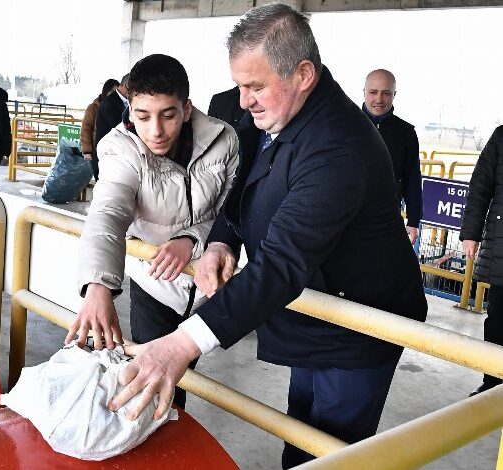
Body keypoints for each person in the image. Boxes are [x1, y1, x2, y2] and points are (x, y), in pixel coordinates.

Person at [104, 5, 427, 469]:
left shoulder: (338, 145)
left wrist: (180, 344)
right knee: (301, 431)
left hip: (358, 327)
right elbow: (242, 190)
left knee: (332, 447)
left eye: (255, 86)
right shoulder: (278, 116)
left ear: (303, 74)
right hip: (318, 308)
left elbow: (279, 265)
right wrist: (220, 241)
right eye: (240, 85)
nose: (244, 99)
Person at [67, 54, 239, 409]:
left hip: (209, 290)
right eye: (142, 117)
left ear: (187, 108)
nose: (155, 131)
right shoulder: (119, 149)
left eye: (168, 115)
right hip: (155, 288)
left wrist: (191, 241)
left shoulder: (224, 141)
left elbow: (232, 213)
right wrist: (98, 284)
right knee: (157, 392)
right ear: (129, 110)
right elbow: (109, 211)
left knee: (183, 377)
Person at [461, 126, 503, 397]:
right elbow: (480, 187)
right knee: (499, 320)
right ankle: (493, 385)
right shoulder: (501, 137)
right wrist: (471, 234)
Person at [362, 69, 422, 244]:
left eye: (386, 93)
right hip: (347, 215)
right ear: (364, 92)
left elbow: (412, 178)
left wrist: (413, 220)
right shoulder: (345, 125)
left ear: (394, 94)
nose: (379, 100)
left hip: (386, 217)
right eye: (373, 92)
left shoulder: (406, 132)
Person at [92, 73, 130, 180]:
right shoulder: (110, 104)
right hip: (106, 159)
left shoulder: (124, 102)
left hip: (116, 157)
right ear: (127, 87)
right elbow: (123, 130)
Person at [81, 78, 119, 170]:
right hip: (97, 149)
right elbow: (86, 128)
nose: (116, 94)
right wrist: (87, 151)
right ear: (106, 91)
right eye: (113, 91)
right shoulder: (93, 108)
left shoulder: (118, 107)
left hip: (112, 149)